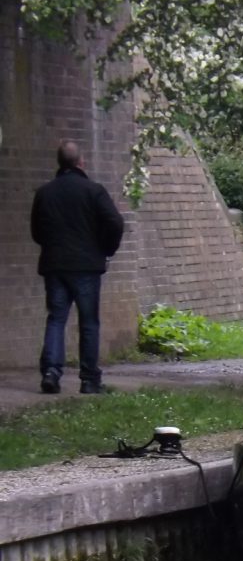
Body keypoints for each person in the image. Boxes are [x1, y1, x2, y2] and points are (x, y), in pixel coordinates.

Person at [31, 140, 126, 395]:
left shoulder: (44, 193)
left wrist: (52, 247)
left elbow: (37, 232)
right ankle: (89, 380)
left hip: (55, 266)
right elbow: (115, 222)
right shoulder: (93, 191)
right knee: (88, 323)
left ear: (60, 163)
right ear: (81, 162)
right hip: (86, 266)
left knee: (56, 319)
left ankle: (51, 373)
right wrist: (106, 248)